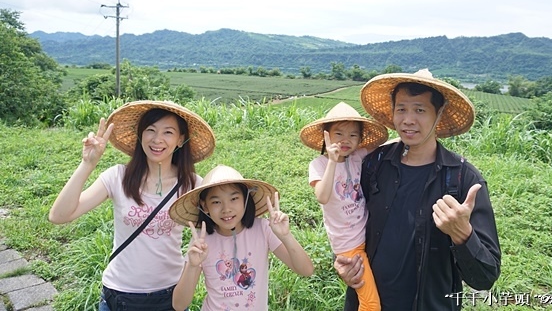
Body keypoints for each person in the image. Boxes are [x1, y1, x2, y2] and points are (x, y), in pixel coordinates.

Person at [334, 69, 501, 311]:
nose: (408, 119)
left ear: (439, 114)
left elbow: (485, 277)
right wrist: (342, 262)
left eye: (420, 110)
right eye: (401, 109)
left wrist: (462, 234)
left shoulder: (463, 179)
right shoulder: (373, 164)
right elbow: (347, 219)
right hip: (367, 302)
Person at [48, 100, 216, 311]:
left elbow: (214, 231)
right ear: (140, 134)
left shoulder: (192, 185)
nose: (157, 139)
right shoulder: (117, 177)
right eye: (150, 130)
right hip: (118, 294)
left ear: (180, 139)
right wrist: (87, 164)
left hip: (169, 294)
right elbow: (59, 216)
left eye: (168, 132)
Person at [169, 164, 314, 311]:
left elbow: (306, 270)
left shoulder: (263, 229)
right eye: (216, 202)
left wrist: (286, 236)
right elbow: (179, 305)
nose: (227, 209)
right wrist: (193, 266)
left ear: (245, 199)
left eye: (234, 198)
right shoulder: (201, 242)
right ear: (204, 206)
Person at [300, 102, 388, 311]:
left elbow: (388, 146)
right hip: (348, 245)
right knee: (371, 304)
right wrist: (332, 161)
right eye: (338, 134)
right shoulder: (319, 165)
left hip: (368, 236)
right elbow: (322, 196)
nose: (345, 140)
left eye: (353, 135)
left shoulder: (358, 156)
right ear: (326, 136)